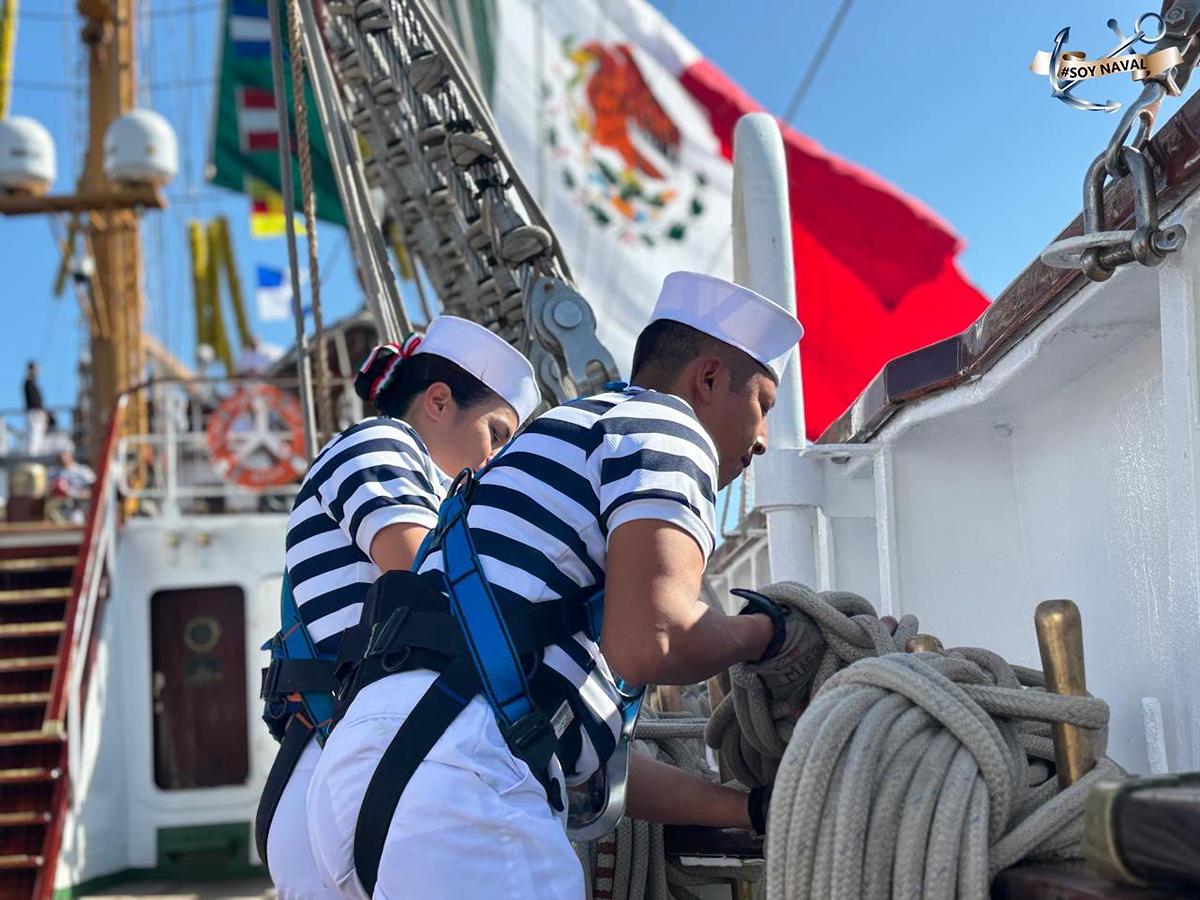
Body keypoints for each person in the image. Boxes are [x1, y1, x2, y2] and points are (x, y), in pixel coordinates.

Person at [308, 272, 821, 899]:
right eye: (763, 402)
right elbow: (653, 643)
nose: (763, 437)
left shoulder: (546, 447)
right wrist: (774, 632)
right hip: (463, 781)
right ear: (708, 379)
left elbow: (579, 757)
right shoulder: (667, 427)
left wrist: (750, 810)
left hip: (359, 779)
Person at [259, 316, 540, 899]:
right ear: (439, 400)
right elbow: (427, 585)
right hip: (371, 775)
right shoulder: (383, 443)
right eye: (497, 432)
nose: (498, 460)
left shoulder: (427, 481)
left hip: (347, 765)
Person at [24, 361, 46, 456]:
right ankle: (33, 454)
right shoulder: (28, 382)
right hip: (34, 412)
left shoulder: (32, 382)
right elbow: (33, 398)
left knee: (38, 434)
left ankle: (36, 452)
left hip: (36, 412)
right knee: (34, 433)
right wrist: (38, 410)